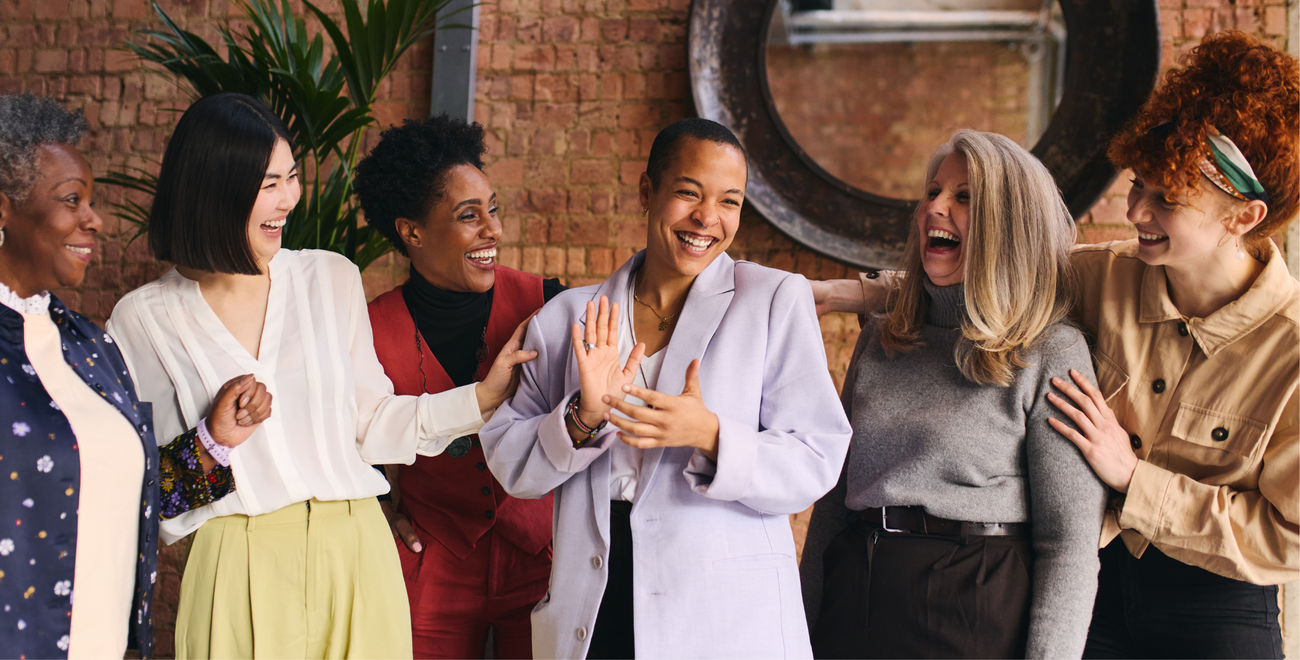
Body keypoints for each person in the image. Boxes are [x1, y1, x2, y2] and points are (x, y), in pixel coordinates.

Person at [814, 32, 1300, 660]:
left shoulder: (1290, 351)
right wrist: (854, 294)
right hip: (1100, 577)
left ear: (1244, 218)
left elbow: (1288, 539)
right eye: (1138, 185)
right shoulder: (1106, 274)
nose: (1136, 212)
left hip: (1213, 597)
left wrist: (1134, 478)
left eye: (1166, 200)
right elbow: (990, 268)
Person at [106, 93, 536, 659]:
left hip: (356, 550)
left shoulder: (328, 278)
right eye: (268, 184)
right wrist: (213, 441)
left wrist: (480, 398)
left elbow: (373, 423)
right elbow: (147, 494)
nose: (288, 199)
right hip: (237, 563)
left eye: (290, 177)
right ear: (215, 187)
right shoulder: (143, 319)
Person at [479, 118, 852, 659]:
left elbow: (817, 456)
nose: (708, 218)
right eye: (688, 193)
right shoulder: (566, 319)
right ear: (647, 192)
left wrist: (712, 435)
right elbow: (512, 465)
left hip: (724, 614)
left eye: (730, 201)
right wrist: (582, 418)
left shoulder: (773, 300)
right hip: (596, 600)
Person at [800, 130, 1107, 659]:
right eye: (933, 192)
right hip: (853, 600)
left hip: (972, 609)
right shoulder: (883, 332)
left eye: (964, 197)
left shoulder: (1053, 351)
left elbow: (1068, 546)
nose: (934, 209)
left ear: (1007, 224)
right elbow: (831, 504)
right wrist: (795, 633)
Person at [0, 93, 269, 659]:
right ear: (4, 209)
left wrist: (214, 442)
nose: (94, 219)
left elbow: (140, 498)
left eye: (92, 201)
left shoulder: (91, 348)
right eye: (72, 200)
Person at [353, 114, 561, 659]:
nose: (493, 230)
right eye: (469, 216)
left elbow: (647, 302)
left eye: (492, 209)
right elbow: (345, 442)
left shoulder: (547, 302)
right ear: (411, 231)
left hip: (540, 555)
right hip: (433, 558)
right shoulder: (368, 329)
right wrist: (379, 510)